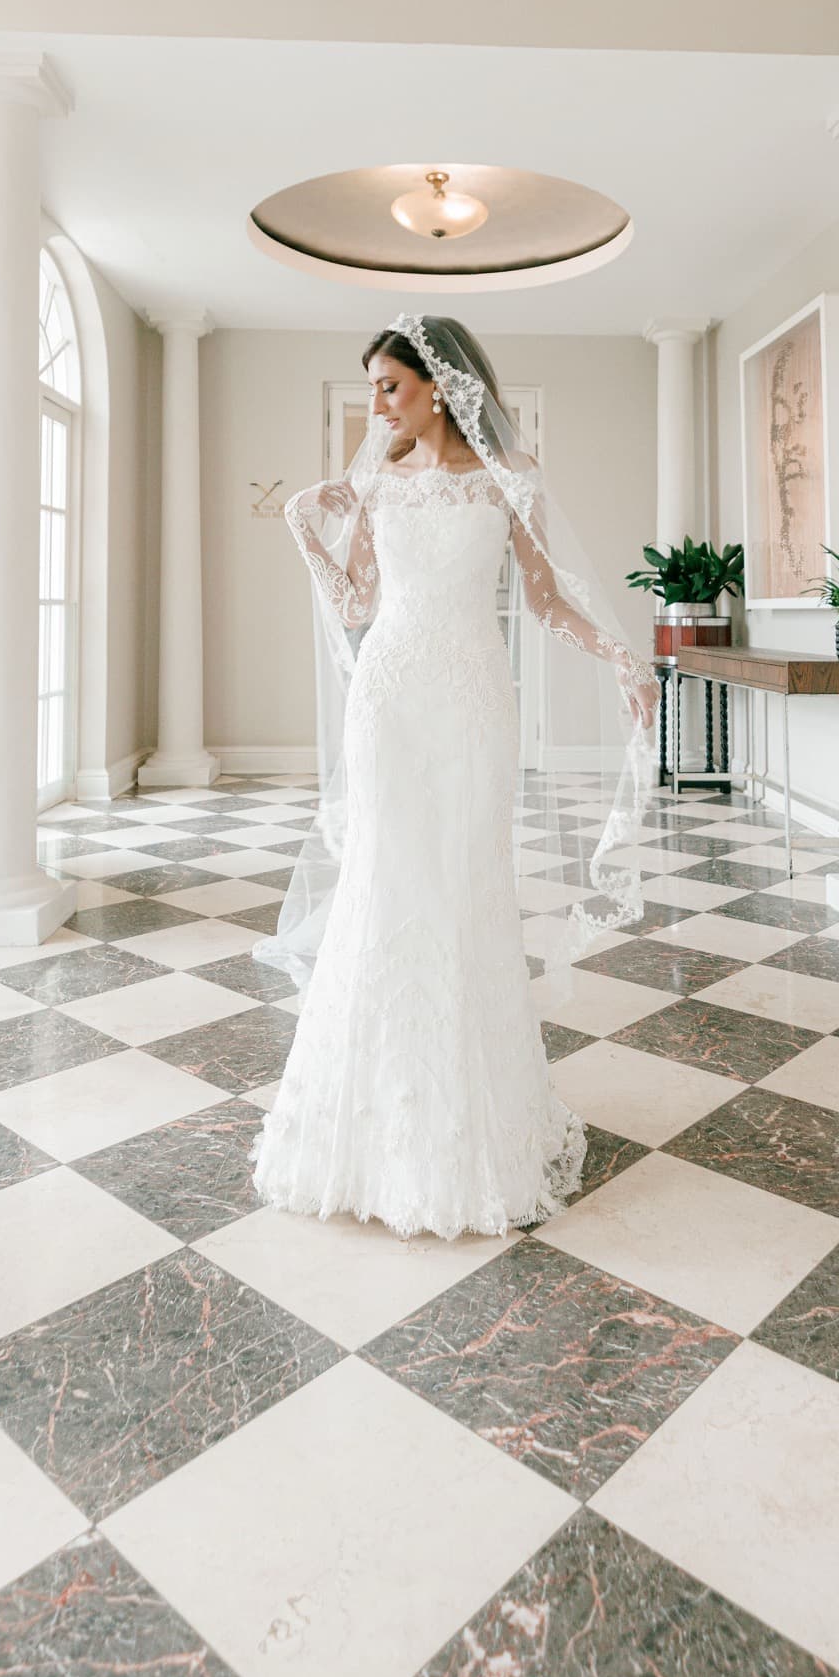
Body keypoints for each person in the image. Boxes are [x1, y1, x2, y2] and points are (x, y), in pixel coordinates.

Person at [250, 315, 660, 1242]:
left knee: (467, 888)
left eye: (388, 386)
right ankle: (365, 1132)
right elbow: (356, 603)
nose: (377, 404)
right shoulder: (375, 485)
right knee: (386, 883)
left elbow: (550, 598)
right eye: (372, 391)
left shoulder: (509, 483)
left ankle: (476, 1129)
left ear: (438, 386)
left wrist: (624, 658)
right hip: (389, 702)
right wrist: (305, 529)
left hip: (473, 701)